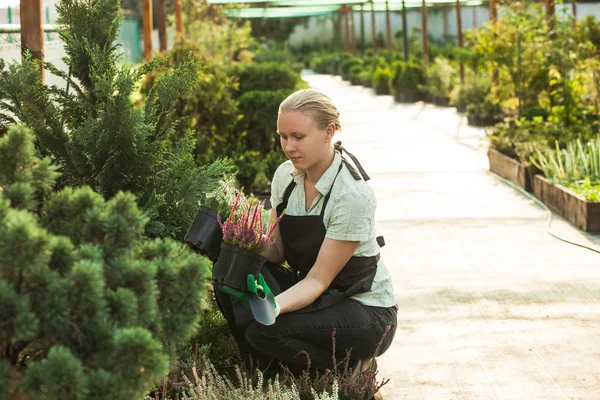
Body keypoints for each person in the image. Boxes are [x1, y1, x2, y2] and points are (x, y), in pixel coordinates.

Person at [214, 88, 397, 376]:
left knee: (264, 330)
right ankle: (270, 368)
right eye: (283, 136)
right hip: (317, 295)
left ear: (329, 132)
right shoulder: (285, 177)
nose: (288, 146)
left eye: (298, 137)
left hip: (364, 310)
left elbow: (317, 280)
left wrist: (272, 306)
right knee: (229, 277)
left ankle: (349, 369)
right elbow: (275, 252)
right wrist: (235, 244)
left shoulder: (350, 195)